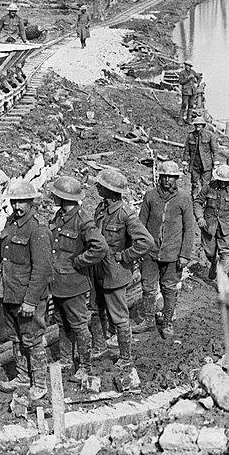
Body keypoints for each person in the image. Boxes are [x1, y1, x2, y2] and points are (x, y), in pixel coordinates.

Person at [0, 179, 53, 402]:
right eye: (14, 201)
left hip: (27, 297)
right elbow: (0, 257)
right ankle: (22, 378)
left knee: (33, 339)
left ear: (32, 202)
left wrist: (31, 301)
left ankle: (40, 384)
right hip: (10, 293)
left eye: (22, 202)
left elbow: (42, 270)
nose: (17, 206)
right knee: (16, 338)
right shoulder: (10, 224)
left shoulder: (38, 229)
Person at [92, 168, 154, 389]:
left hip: (116, 274)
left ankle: (126, 357)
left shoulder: (125, 214)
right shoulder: (101, 209)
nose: (97, 187)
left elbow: (146, 242)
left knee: (119, 317)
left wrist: (124, 256)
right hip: (98, 270)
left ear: (110, 191)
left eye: (101, 186)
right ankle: (100, 347)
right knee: (96, 311)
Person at [48, 176, 108, 384]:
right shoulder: (60, 216)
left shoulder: (83, 220)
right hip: (57, 283)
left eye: (56, 194)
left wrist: (79, 261)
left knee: (80, 325)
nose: (53, 196)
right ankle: (65, 359)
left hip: (74, 284)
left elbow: (100, 247)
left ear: (63, 197)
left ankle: (85, 366)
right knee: (62, 323)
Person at [134, 161, 195, 338]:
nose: (167, 180)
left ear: (176, 179)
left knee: (169, 288)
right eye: (164, 177)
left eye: (171, 177)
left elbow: (189, 229)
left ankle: (167, 322)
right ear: (159, 177)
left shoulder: (184, 199)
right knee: (148, 288)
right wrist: (139, 248)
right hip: (150, 252)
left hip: (173, 254)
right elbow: (141, 224)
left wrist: (185, 255)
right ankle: (147, 320)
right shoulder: (150, 196)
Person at [194, 164, 229, 280]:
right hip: (209, 225)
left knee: (224, 254)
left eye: (225, 181)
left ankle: (221, 280)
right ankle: (214, 263)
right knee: (210, 253)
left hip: (226, 227)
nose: (222, 183)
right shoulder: (208, 187)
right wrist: (200, 218)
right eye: (220, 180)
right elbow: (197, 202)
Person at [184, 116, 220, 199]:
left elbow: (215, 150)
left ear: (203, 126)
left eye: (200, 125)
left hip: (206, 165)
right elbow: (186, 151)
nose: (198, 127)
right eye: (196, 125)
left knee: (206, 184)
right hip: (194, 165)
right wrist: (185, 163)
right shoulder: (190, 136)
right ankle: (194, 199)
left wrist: (215, 164)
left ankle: (205, 200)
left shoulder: (210, 136)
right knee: (194, 183)